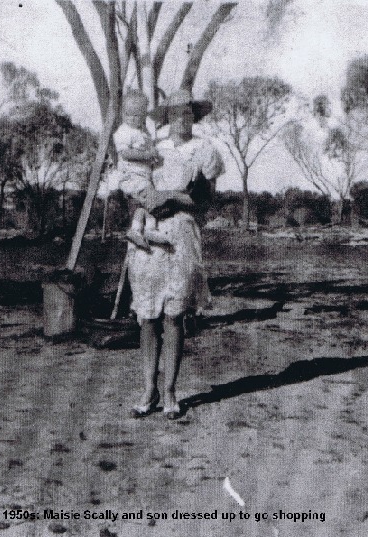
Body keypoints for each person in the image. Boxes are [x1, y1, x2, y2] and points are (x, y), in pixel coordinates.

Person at [127, 89, 224, 420]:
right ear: (166, 117)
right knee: (148, 315)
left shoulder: (205, 150)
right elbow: (136, 192)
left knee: (174, 314)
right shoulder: (152, 150)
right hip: (151, 233)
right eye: (175, 113)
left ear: (194, 116)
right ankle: (147, 389)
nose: (182, 118)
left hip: (182, 233)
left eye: (188, 113)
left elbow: (207, 202)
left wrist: (174, 196)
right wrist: (144, 206)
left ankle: (169, 392)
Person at [111, 90, 169, 250]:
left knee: (143, 206)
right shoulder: (123, 132)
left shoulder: (142, 131)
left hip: (142, 176)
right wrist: (146, 155)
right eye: (130, 115)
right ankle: (150, 229)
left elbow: (149, 148)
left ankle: (137, 230)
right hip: (132, 177)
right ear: (123, 114)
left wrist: (153, 154)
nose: (134, 119)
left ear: (144, 115)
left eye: (139, 115)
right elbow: (125, 153)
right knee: (153, 199)